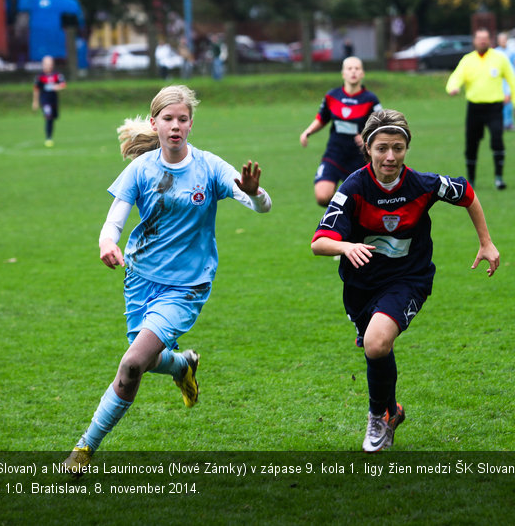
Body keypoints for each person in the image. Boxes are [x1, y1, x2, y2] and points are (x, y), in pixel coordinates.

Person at [63, 85, 271, 475]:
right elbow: (114, 221)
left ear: (191, 124)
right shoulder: (140, 170)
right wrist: (107, 242)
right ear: (155, 122)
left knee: (130, 364)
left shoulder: (209, 167)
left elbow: (263, 205)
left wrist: (254, 194)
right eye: (168, 119)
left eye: (183, 119)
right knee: (143, 361)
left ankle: (83, 449)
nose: (176, 126)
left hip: (186, 286)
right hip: (139, 279)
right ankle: (182, 365)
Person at [311, 108, 500, 452]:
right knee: (376, 346)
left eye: (398, 148)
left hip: (408, 279)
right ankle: (392, 410)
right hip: (360, 287)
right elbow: (319, 242)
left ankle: (377, 418)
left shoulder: (422, 184)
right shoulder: (353, 188)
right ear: (367, 148)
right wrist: (348, 245)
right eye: (382, 147)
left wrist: (485, 242)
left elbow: (466, 192)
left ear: (406, 148)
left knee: (376, 342)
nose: (390, 156)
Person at [447, 28, 515, 190]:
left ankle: (499, 178)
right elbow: (456, 76)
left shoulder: (500, 59)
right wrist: (452, 87)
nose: (482, 41)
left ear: (490, 40)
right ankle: (471, 180)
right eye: (479, 38)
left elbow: (513, 81)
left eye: (485, 38)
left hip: (494, 108)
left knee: (497, 140)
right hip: (474, 108)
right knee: (471, 144)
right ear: (474, 41)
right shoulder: (468, 60)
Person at [299, 56, 382, 206]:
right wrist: (308, 132)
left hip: (359, 157)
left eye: (357, 68)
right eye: (349, 69)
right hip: (335, 153)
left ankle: (347, 216)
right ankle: (344, 210)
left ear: (362, 73)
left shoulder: (371, 99)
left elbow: (380, 127)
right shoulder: (332, 96)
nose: (353, 72)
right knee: (322, 196)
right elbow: (322, 118)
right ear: (343, 73)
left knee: (364, 202)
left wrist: (367, 139)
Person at [32, 55, 66, 147]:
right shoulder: (39, 77)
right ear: (43, 65)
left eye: (50, 64)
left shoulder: (57, 75)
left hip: (54, 100)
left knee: (53, 118)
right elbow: (36, 89)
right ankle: (48, 138)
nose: (48, 66)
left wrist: (57, 87)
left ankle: (50, 136)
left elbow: (63, 84)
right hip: (45, 101)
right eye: (46, 64)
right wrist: (35, 102)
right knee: (48, 117)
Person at [494, 32, 515, 131]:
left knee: (508, 99)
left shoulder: (513, 52)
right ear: (498, 41)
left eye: (504, 39)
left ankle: (508, 122)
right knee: (501, 101)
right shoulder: (495, 52)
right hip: (499, 79)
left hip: (511, 79)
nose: (503, 41)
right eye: (501, 40)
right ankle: (501, 122)